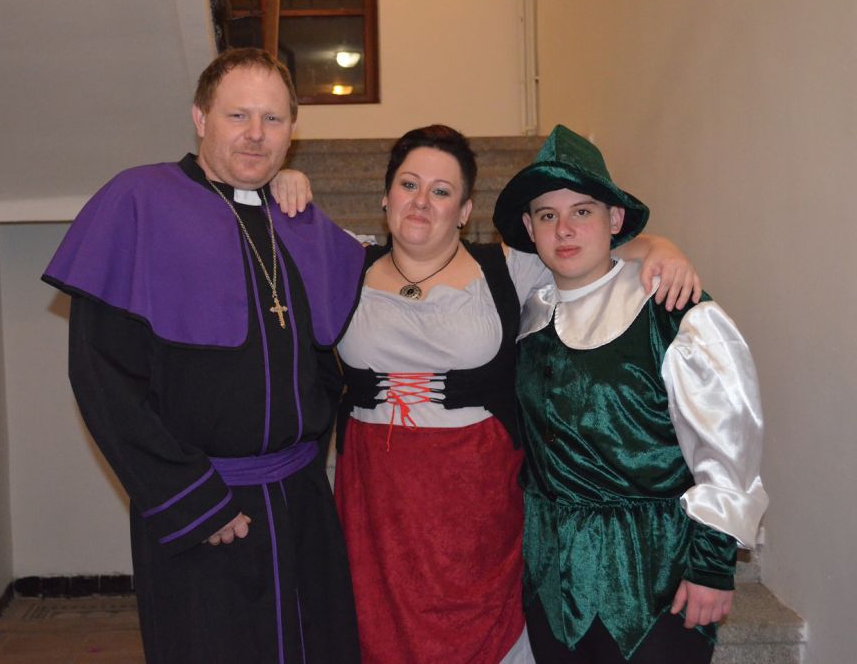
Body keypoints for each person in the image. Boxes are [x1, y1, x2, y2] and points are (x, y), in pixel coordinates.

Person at [327, 125, 702, 664]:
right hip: (375, 496)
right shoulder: (345, 264)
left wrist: (662, 247)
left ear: (464, 210)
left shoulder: (508, 267)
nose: (421, 201)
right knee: (377, 626)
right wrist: (290, 181)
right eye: (409, 184)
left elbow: (591, 247)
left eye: (441, 190)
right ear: (385, 197)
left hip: (476, 494)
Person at [41, 48, 365, 664]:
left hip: (300, 504)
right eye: (237, 115)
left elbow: (333, 353)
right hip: (209, 513)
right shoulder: (139, 202)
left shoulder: (296, 218)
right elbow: (103, 378)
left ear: (292, 131)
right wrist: (191, 500)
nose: (255, 134)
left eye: (272, 119)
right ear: (199, 117)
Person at [493, 124, 768, 663]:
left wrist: (712, 567)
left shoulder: (673, 312)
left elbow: (728, 447)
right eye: (547, 215)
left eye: (582, 211)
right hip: (550, 577)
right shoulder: (529, 312)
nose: (564, 229)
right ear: (529, 228)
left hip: (653, 573)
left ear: (614, 220)